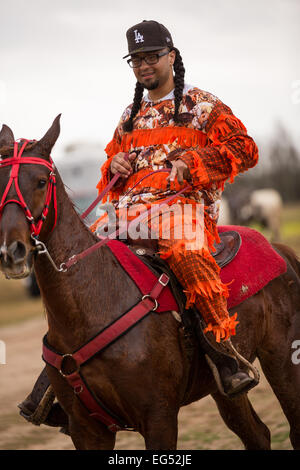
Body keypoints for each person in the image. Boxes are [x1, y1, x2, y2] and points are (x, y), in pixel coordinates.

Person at [19, 19, 259, 430]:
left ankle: (224, 355)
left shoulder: (203, 106)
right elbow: (111, 178)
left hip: (185, 213)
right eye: (136, 59)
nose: (144, 65)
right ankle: (57, 379)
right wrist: (114, 163)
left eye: (151, 56)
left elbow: (245, 149)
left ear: (171, 56)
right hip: (128, 218)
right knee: (78, 267)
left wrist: (194, 163)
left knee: (185, 254)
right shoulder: (130, 117)